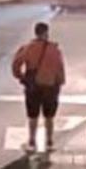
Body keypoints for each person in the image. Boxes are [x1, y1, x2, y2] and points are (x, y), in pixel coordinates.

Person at [11, 22, 66, 153]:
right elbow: (60, 69)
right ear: (46, 33)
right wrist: (59, 83)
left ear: (36, 33)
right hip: (50, 87)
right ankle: (49, 142)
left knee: (33, 116)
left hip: (33, 87)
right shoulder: (54, 50)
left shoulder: (28, 48)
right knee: (49, 117)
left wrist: (21, 76)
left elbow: (16, 63)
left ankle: (32, 141)